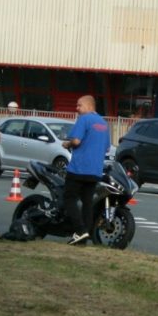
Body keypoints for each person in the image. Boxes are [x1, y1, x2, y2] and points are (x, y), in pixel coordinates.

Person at [61, 95, 110, 245]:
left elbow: (76, 140)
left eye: (79, 105)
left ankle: (80, 230)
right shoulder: (103, 123)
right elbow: (107, 147)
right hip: (95, 170)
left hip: (79, 168)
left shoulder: (84, 119)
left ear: (89, 106)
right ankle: (83, 238)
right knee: (87, 203)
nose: (77, 109)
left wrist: (67, 144)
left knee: (69, 199)